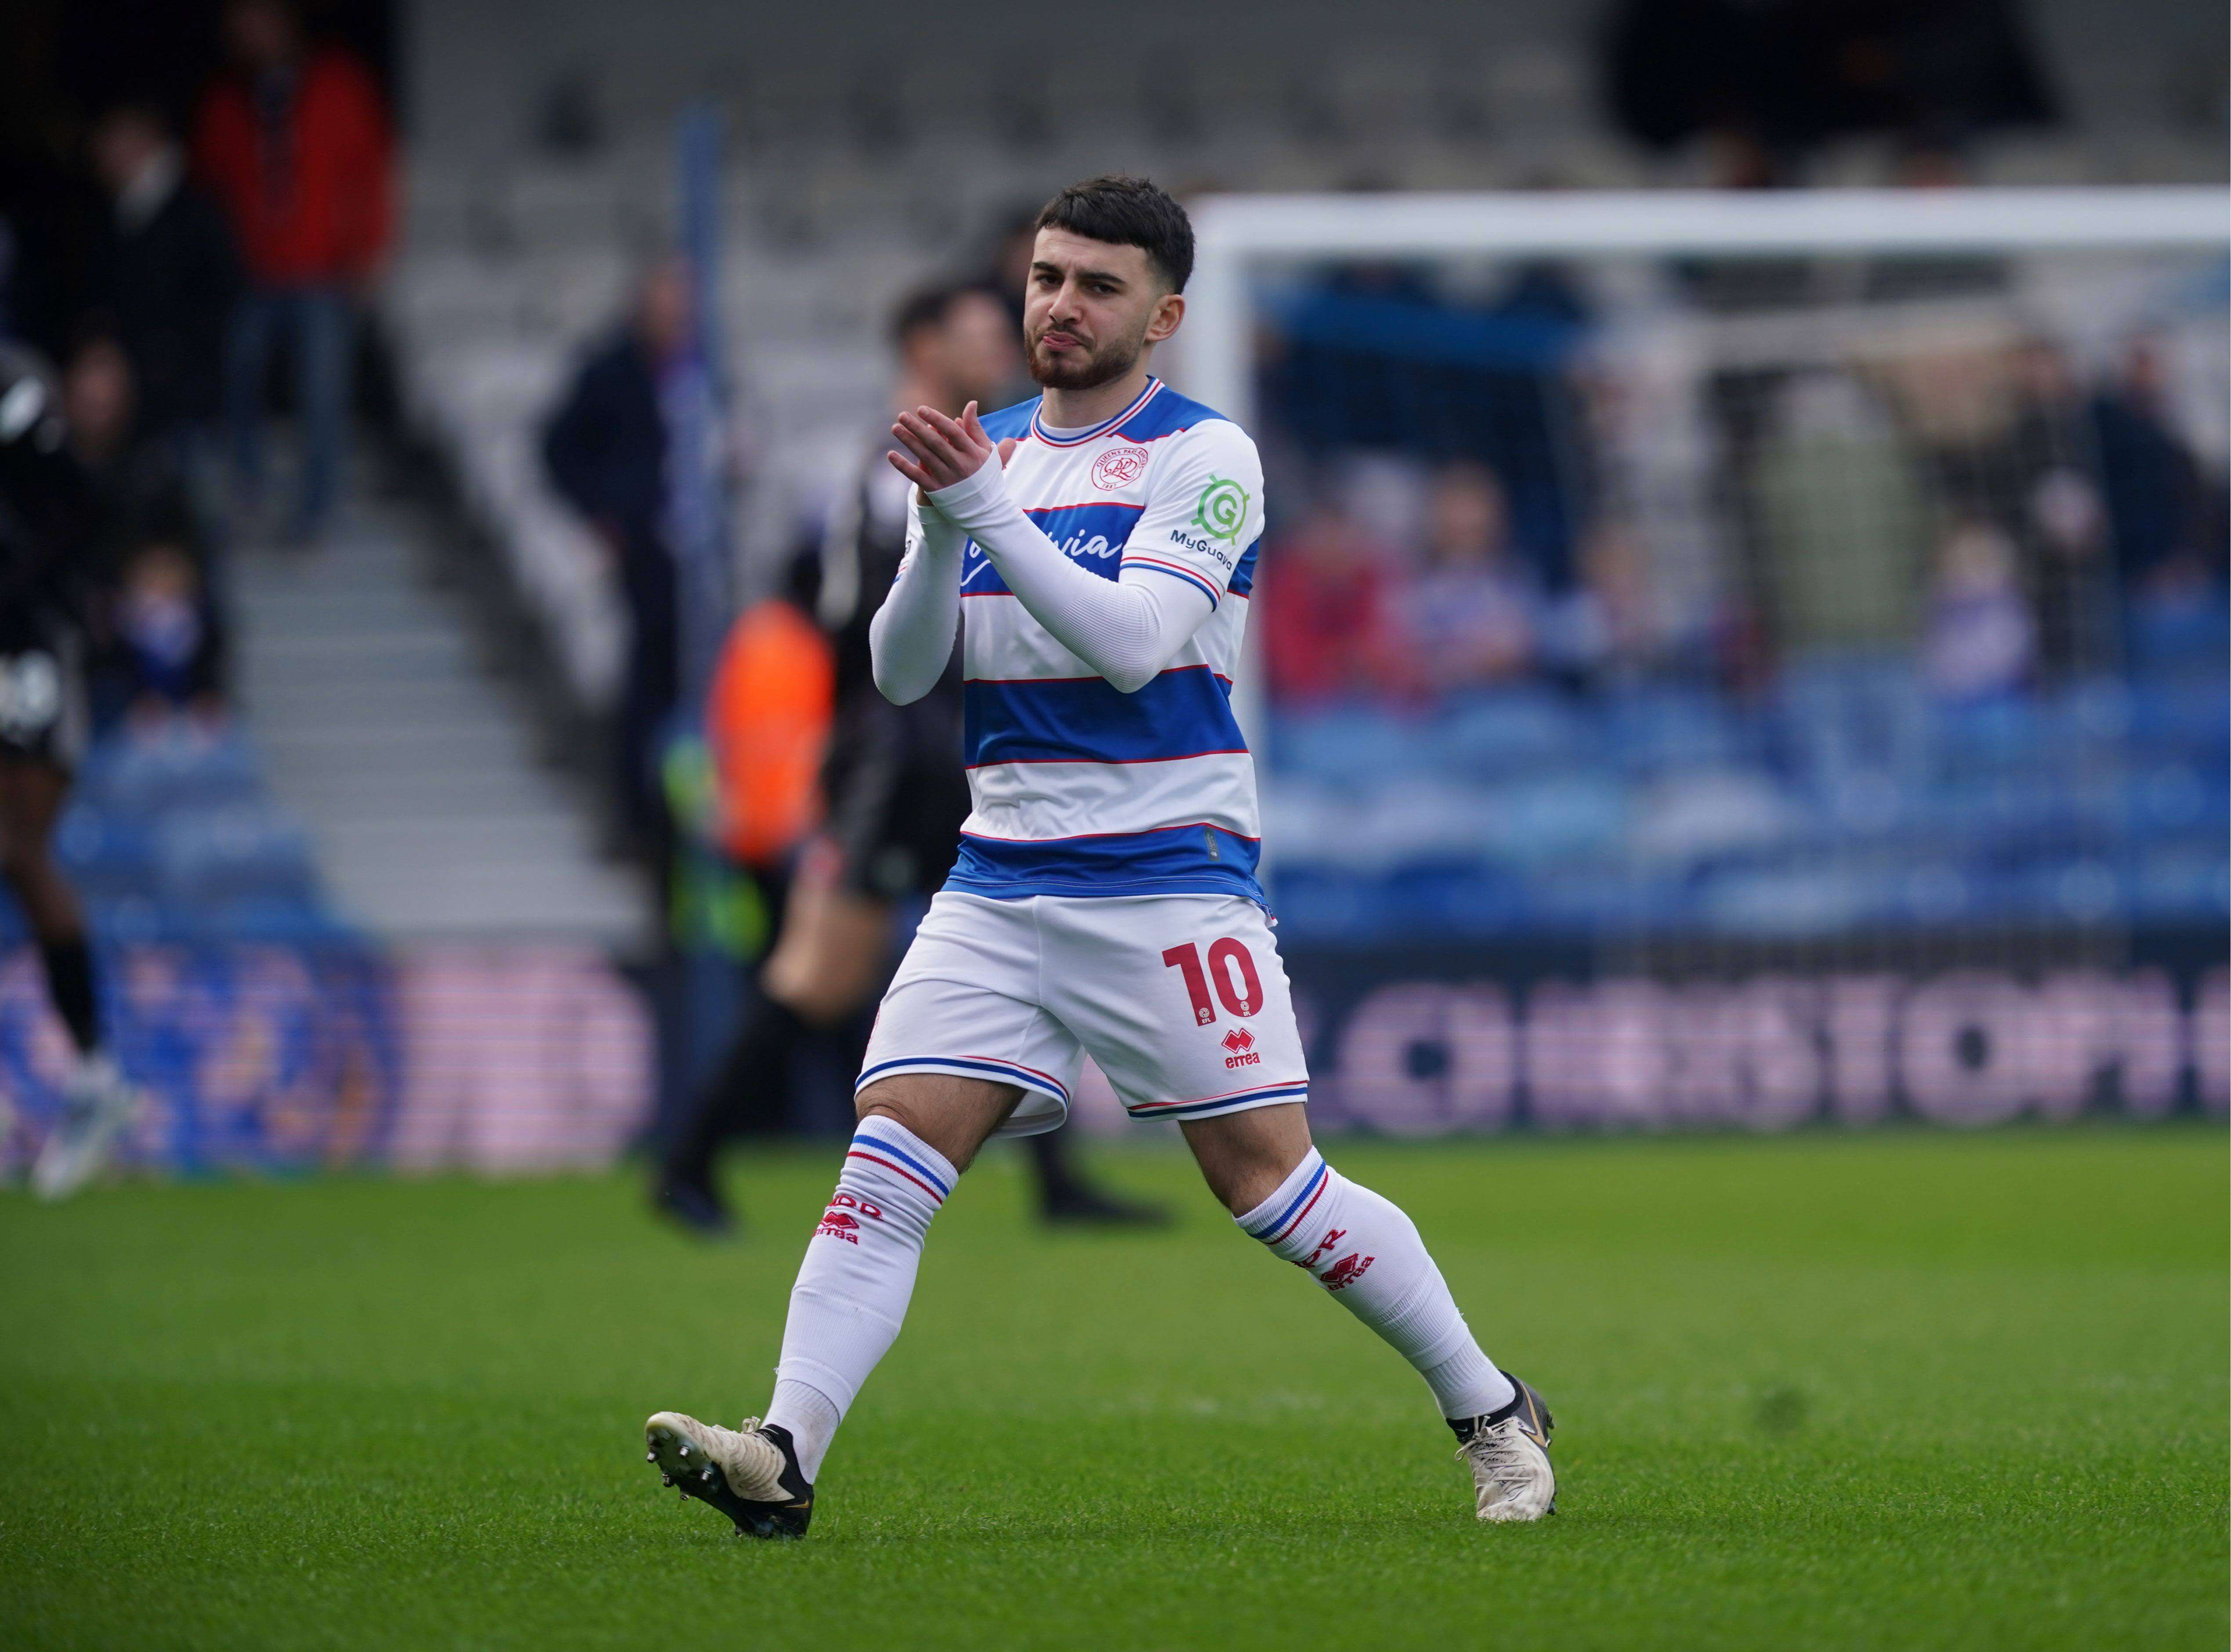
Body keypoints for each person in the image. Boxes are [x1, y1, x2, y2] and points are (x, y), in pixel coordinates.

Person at [642, 177, 1555, 1536]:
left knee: (1272, 1189)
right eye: (1047, 277)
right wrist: (940, 527)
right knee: (884, 1161)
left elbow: (1131, 646)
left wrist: (985, 509)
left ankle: (1489, 1408)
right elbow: (901, 673)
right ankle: (784, 1450)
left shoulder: (1207, 456)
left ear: (1163, 316)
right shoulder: (993, 449)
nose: (1060, 305)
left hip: (1164, 883)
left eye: (1097, 285)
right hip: (998, 882)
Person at [654, 282, 1165, 1235]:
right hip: (898, 761)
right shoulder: (892, 472)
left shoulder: (978, 460)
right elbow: (859, 627)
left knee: (1031, 946)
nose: (1000, 345)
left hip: (965, 750)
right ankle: (688, 1158)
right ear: (923, 347)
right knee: (823, 975)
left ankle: (1057, 1183)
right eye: (977, 333)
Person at [0, 344, 142, 1198]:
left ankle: (94, 1075)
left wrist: (27, 588)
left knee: (17, 849)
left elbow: (82, 506)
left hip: (30, 651)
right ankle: (93, 1076)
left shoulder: (14, 389)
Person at [194, 0, 392, 543]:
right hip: (249, 273)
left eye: (260, 21)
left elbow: (370, 171)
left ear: (286, 20)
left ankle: (317, 510)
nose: (251, 35)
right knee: (237, 375)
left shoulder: (338, 84)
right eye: (240, 27)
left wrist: (369, 250)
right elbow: (210, 187)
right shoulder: (227, 100)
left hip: (322, 269)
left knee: (322, 391)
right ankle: (249, 490)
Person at [540, 258, 691, 874]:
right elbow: (556, 449)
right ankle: (638, 820)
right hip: (644, 553)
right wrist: (601, 514)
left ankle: (682, 822)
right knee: (646, 688)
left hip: (694, 554)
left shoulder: (701, 368)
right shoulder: (608, 370)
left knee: (689, 686)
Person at [87, 102, 241, 470]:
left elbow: (220, 289)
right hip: (138, 380)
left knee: (193, 476)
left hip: (185, 382)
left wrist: (173, 350)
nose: (104, 156)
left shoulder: (191, 205)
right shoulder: (123, 209)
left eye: (115, 144)